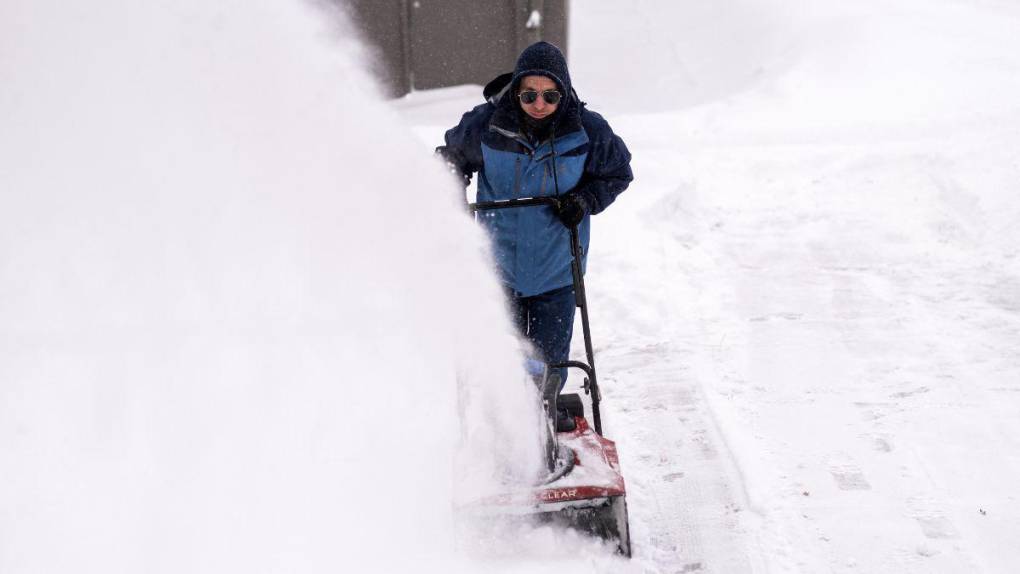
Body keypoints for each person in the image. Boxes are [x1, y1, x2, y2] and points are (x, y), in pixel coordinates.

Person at [437, 41, 633, 399]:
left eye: (550, 96)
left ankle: (545, 431)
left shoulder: (587, 130)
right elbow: (450, 159)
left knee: (548, 372)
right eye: (529, 96)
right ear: (516, 92)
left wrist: (584, 200)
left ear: (564, 94)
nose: (539, 105)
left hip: (557, 271)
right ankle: (501, 435)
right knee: (499, 367)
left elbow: (617, 173)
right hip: (497, 274)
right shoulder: (487, 125)